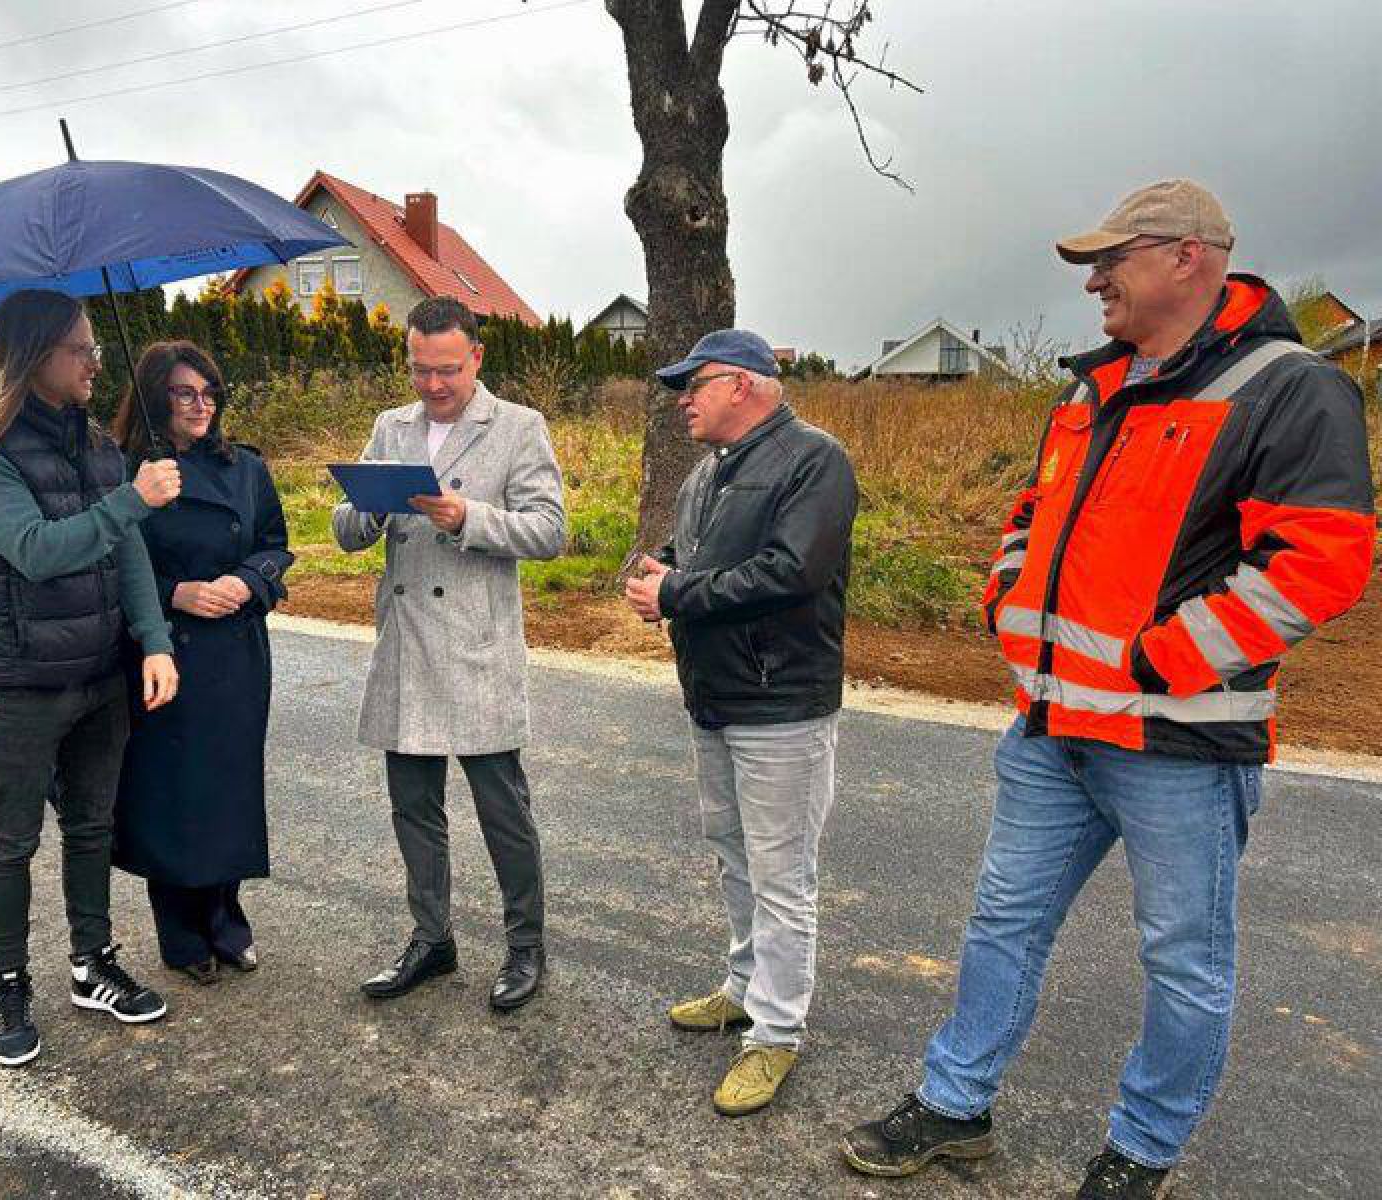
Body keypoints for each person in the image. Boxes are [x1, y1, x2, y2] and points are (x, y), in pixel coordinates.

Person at [841, 180, 1376, 1198]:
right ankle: (954, 1107)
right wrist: (1006, 601)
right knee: (1002, 922)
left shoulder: (1286, 386)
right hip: (1051, 730)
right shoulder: (1090, 389)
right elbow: (1029, 514)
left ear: (1187, 258)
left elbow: (1318, 565)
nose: (1094, 281)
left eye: (1111, 259)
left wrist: (1158, 660)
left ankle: (1142, 1154)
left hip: (1176, 742)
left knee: (1183, 961)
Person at [0, 288, 182, 1068]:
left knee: (91, 826)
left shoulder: (96, 444)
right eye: (83, 349)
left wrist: (153, 640)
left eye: (98, 349)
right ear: (40, 354)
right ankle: (8, 983)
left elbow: (127, 550)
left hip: (102, 673)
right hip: (21, 682)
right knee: (12, 841)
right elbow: (37, 549)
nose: (97, 363)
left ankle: (91, 964)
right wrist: (131, 499)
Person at [624, 329, 857, 1117]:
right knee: (733, 857)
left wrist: (677, 594)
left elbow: (794, 572)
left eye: (695, 384)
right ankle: (743, 987)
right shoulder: (707, 472)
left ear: (746, 384)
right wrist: (657, 571)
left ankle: (776, 1035)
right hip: (715, 695)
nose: (682, 399)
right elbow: (690, 553)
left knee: (782, 875)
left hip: (782, 702)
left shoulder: (813, 459)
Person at [333, 295, 566, 1012]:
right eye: (418, 370)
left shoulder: (519, 427)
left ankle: (525, 947)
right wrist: (368, 506)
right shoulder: (389, 426)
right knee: (413, 809)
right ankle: (432, 938)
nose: (432, 386)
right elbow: (346, 530)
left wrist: (470, 517)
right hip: (406, 646)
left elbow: (550, 531)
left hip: (475, 649)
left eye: (446, 371)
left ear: (476, 358)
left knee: (504, 811)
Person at [110, 341, 293, 986]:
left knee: (228, 790)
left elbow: (275, 543)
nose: (201, 404)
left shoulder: (243, 467)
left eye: (209, 392)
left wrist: (247, 581)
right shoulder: (128, 472)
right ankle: (180, 932)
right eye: (185, 393)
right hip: (165, 654)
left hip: (236, 654)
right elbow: (111, 561)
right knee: (173, 795)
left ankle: (226, 919)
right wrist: (175, 593)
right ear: (157, 396)